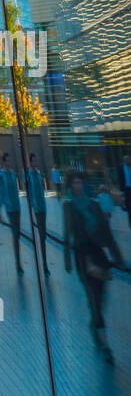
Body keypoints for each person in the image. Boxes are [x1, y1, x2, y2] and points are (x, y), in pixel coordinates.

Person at [63, 170, 123, 364]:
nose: (78, 186)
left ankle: (95, 323)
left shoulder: (94, 205)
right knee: (94, 299)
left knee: (101, 298)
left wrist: (117, 256)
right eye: (75, 183)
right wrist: (67, 260)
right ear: (71, 186)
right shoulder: (69, 206)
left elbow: (106, 231)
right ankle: (105, 346)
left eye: (80, 183)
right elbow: (67, 233)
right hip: (83, 258)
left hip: (98, 256)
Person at [0, 153, 24, 274]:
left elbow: (15, 189)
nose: (9, 163)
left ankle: (18, 260)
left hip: (17, 207)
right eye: (7, 161)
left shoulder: (12, 173)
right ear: (4, 162)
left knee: (17, 234)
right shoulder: (2, 175)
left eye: (9, 160)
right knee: (15, 235)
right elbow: (2, 193)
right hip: (10, 208)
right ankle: (18, 263)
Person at [26, 153, 50, 275]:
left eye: (36, 161)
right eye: (33, 161)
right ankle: (44, 264)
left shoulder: (39, 173)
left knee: (43, 236)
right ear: (30, 162)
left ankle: (44, 262)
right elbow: (29, 192)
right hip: (37, 209)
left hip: (43, 207)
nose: (35, 163)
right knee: (41, 236)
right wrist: (31, 206)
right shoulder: (29, 175)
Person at [119, 154, 131, 225]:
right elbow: (120, 179)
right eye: (126, 159)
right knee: (129, 206)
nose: (128, 161)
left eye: (128, 159)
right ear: (124, 161)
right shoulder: (121, 167)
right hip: (126, 189)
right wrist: (121, 191)